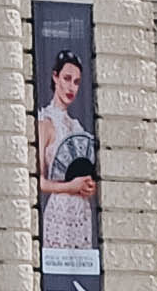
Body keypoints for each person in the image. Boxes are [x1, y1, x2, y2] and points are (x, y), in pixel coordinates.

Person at [36, 52, 99, 263]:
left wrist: (88, 186)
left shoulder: (77, 126)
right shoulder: (45, 123)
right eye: (67, 78)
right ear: (55, 77)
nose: (71, 87)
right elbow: (38, 182)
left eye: (77, 82)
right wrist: (70, 186)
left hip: (82, 212)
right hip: (59, 212)